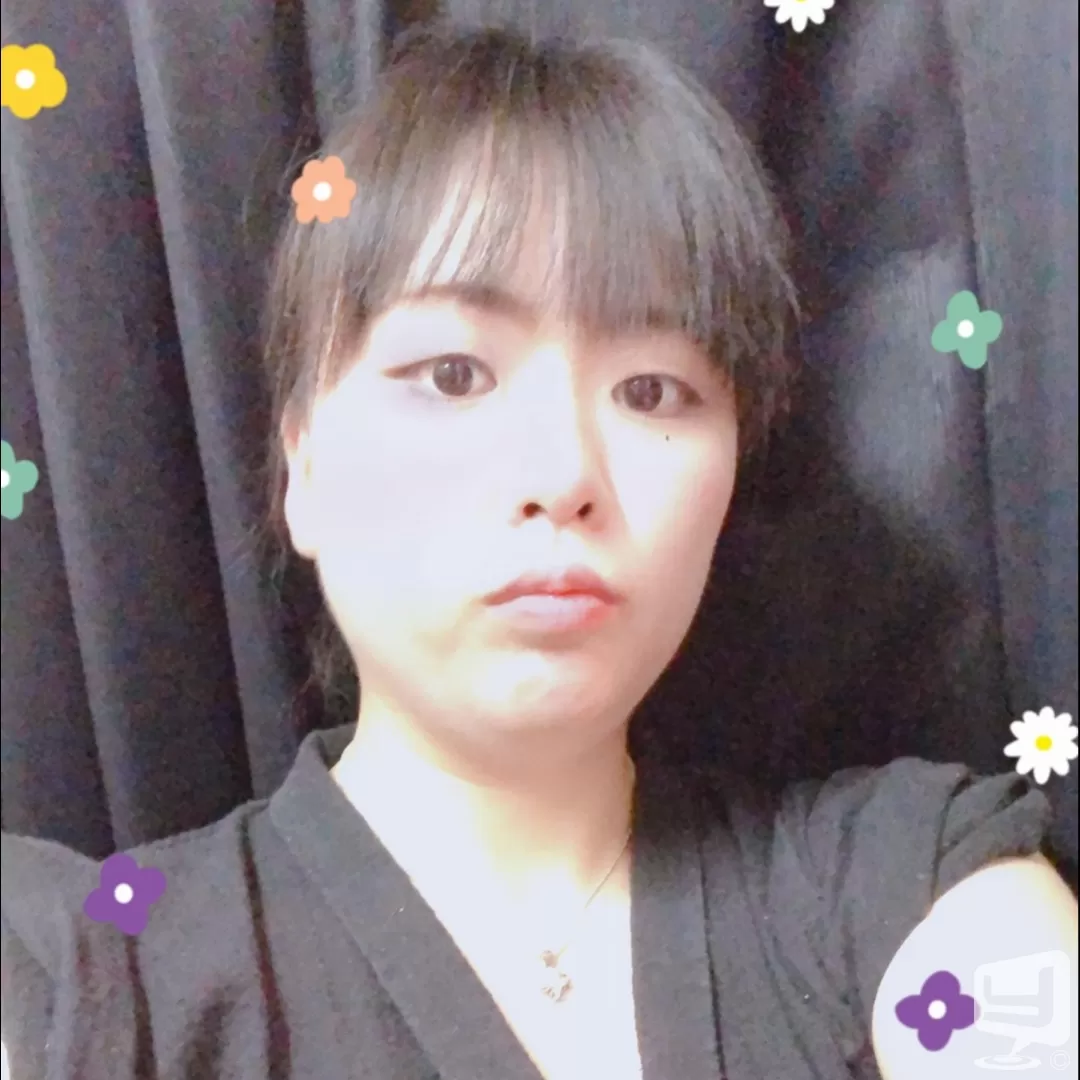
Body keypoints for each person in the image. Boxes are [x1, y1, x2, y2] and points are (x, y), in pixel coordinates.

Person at [1, 22, 1076, 1080]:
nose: (563, 473)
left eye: (652, 391)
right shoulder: (88, 970)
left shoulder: (909, 882)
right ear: (304, 471)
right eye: (453, 375)